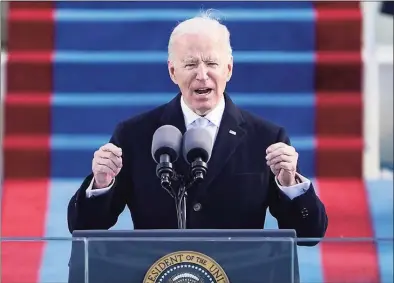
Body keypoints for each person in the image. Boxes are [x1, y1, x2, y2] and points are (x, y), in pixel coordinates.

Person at [67, 11, 328, 245]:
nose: (202, 75)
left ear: (229, 69)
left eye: (211, 64)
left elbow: (308, 233)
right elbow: (84, 228)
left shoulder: (267, 139)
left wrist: (289, 184)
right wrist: (101, 184)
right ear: (172, 72)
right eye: (190, 64)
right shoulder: (135, 135)